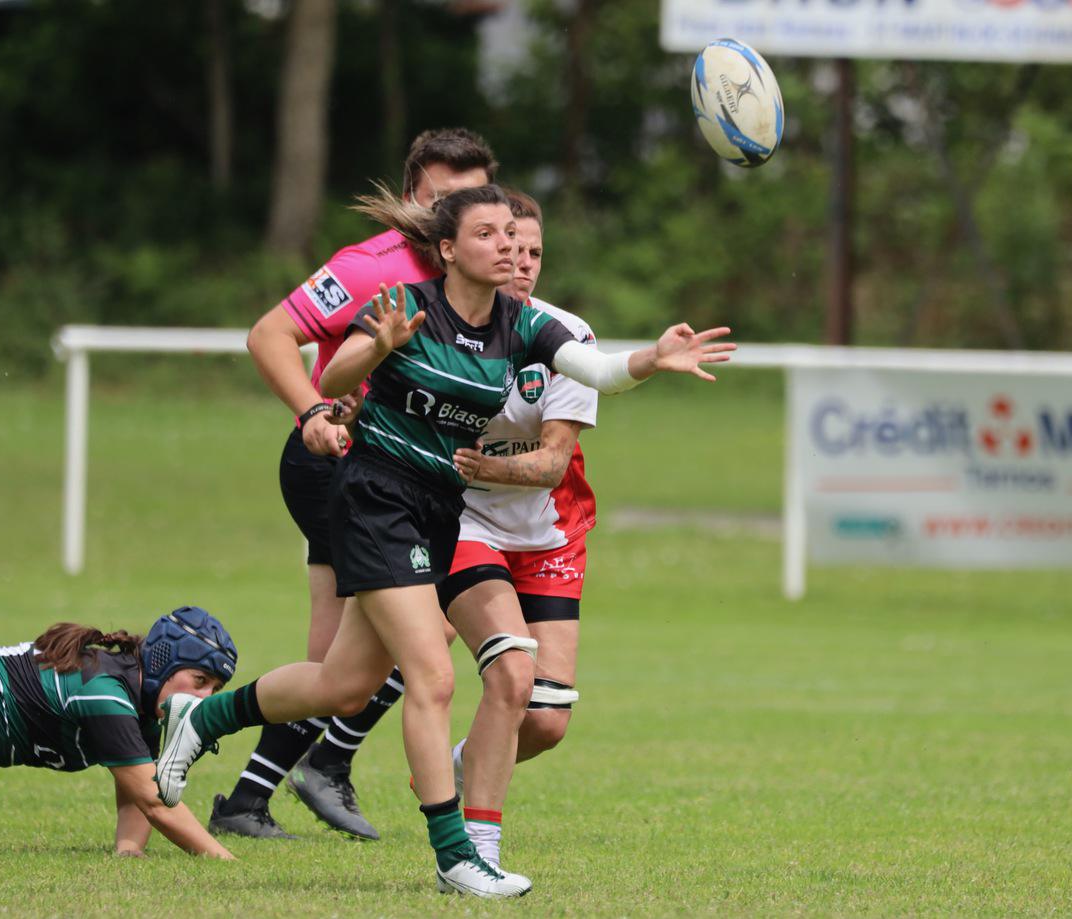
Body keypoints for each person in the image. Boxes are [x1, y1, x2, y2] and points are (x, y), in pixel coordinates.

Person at [151, 183, 736, 898]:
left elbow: (600, 372)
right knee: (432, 675)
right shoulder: (407, 306)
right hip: (373, 498)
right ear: (451, 249)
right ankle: (456, 856)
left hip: (437, 509)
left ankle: (201, 715)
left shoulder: (521, 326)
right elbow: (329, 378)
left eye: (515, 237)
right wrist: (377, 347)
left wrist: (653, 357)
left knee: (344, 684)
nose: (509, 248)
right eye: (488, 235)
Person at [219, 128, 498, 842]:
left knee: (337, 663)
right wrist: (311, 408)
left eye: (471, 199)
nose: (454, 215)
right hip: (339, 461)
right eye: (442, 199)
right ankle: (328, 764)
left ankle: (247, 795)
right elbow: (268, 334)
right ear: (413, 197)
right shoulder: (372, 267)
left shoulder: (473, 277)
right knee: (421, 637)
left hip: (397, 470)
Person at [434, 189, 598, 867]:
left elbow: (555, 461)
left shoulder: (566, 336)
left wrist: (480, 464)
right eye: (508, 244)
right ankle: (477, 849)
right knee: (510, 674)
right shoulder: (440, 327)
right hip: (462, 520)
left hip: (547, 530)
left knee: (548, 719)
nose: (520, 259)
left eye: (532, 250)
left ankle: (467, 758)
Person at [0, 606, 238, 858]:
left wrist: (129, 850)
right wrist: (224, 860)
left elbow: (137, 790)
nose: (203, 697)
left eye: (214, 689)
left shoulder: (140, 709)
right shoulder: (104, 692)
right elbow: (154, 801)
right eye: (199, 680)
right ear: (163, 663)